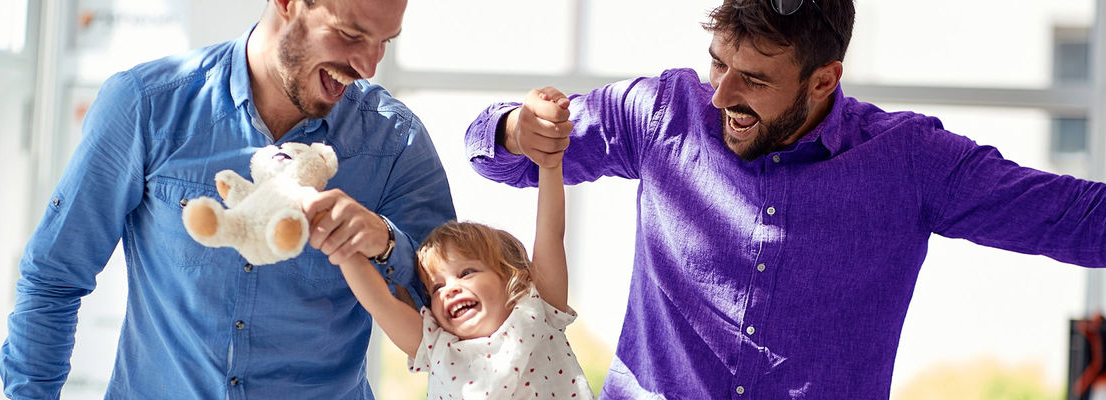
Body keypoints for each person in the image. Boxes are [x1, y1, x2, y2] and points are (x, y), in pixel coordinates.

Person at [463, 0, 1106, 398]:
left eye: (755, 79)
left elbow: (1078, 220)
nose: (720, 94)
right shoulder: (663, 111)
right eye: (718, 63)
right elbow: (490, 151)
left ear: (824, 80)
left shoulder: (912, 160)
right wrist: (518, 129)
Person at [0, 0, 455, 398]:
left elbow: (452, 326)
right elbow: (55, 276)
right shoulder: (147, 105)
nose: (368, 66)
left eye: (384, 42)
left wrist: (386, 243)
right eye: (350, 35)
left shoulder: (396, 142)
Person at [335, 90, 592, 399]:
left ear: (512, 276)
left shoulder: (540, 310)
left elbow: (550, 232)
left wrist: (550, 164)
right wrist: (341, 247)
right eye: (436, 287)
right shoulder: (437, 346)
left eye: (466, 272)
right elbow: (379, 301)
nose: (450, 290)